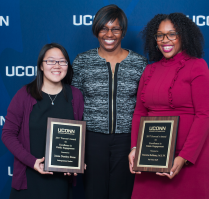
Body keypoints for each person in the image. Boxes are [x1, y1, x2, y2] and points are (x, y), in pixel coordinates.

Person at [128, 13, 209, 199]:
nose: (165, 40)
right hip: (152, 157)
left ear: (183, 36)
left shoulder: (197, 66)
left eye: (172, 34)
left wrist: (184, 157)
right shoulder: (149, 70)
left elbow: (205, 114)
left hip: (190, 157)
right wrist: (135, 149)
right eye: (160, 35)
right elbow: (139, 112)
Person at [72, 4, 147, 199]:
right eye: (104, 28)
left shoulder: (139, 63)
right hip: (92, 140)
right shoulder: (82, 61)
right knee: (94, 193)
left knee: (123, 194)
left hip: (127, 141)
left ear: (123, 32)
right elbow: (74, 104)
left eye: (115, 29)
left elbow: (145, 105)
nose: (109, 34)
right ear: (96, 30)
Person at [2, 43, 84, 199]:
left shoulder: (76, 95)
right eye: (51, 61)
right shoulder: (24, 95)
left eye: (62, 61)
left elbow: (80, 135)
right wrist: (32, 162)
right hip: (29, 178)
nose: (57, 65)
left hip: (61, 182)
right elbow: (7, 134)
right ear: (41, 65)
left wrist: (79, 161)